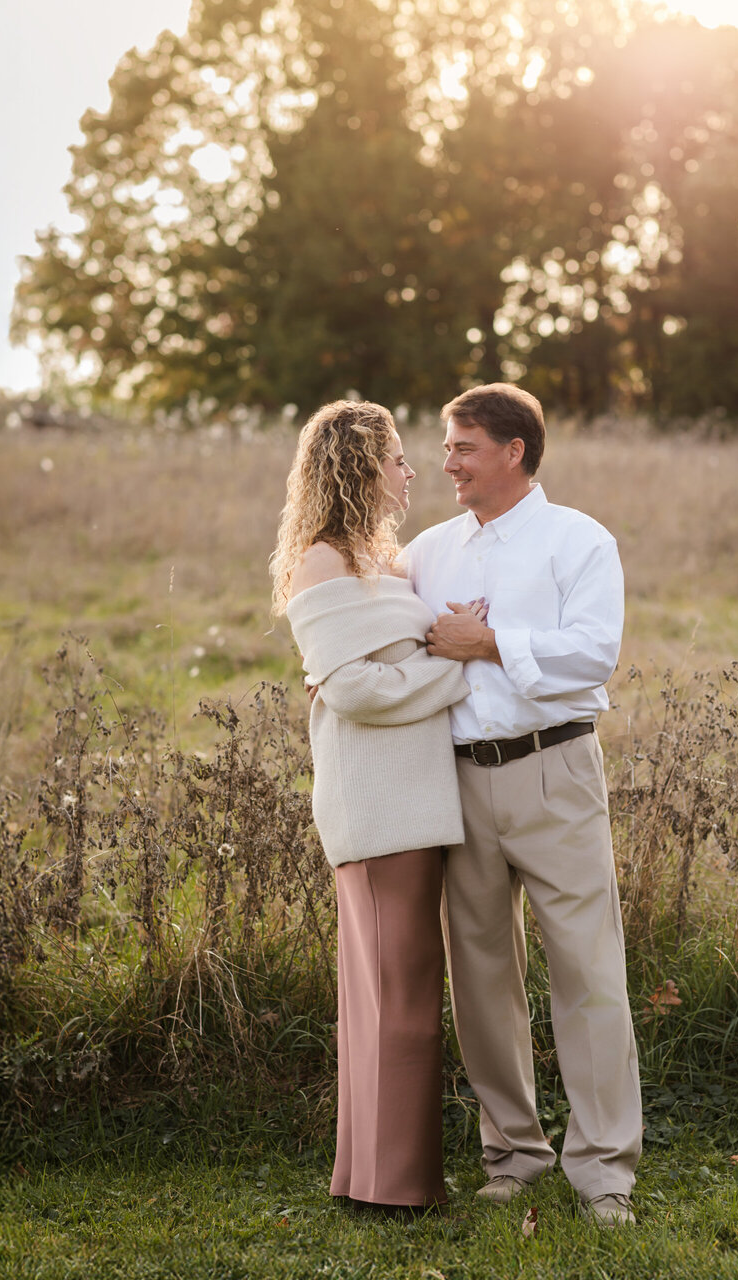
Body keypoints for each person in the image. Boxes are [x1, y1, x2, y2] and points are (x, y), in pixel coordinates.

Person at [403, 383, 641, 1227]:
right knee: (480, 977)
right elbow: (399, 642)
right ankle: (513, 1153)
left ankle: (605, 1171)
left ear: (513, 450)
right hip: (457, 779)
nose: (447, 462)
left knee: (588, 970)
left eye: (463, 446)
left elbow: (593, 657)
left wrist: (490, 642)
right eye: (445, 445)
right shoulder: (427, 552)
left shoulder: (579, 541)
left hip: (556, 772)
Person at [270, 400, 470, 1213]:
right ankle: (397, 1188)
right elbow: (351, 688)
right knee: (403, 999)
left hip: (415, 801)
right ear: (360, 468)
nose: (412, 470)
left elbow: (389, 663)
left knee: (391, 994)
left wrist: (442, 646)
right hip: (377, 804)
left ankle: (371, 1176)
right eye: (396, 457)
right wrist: (456, 668)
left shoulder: (387, 564)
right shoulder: (321, 563)